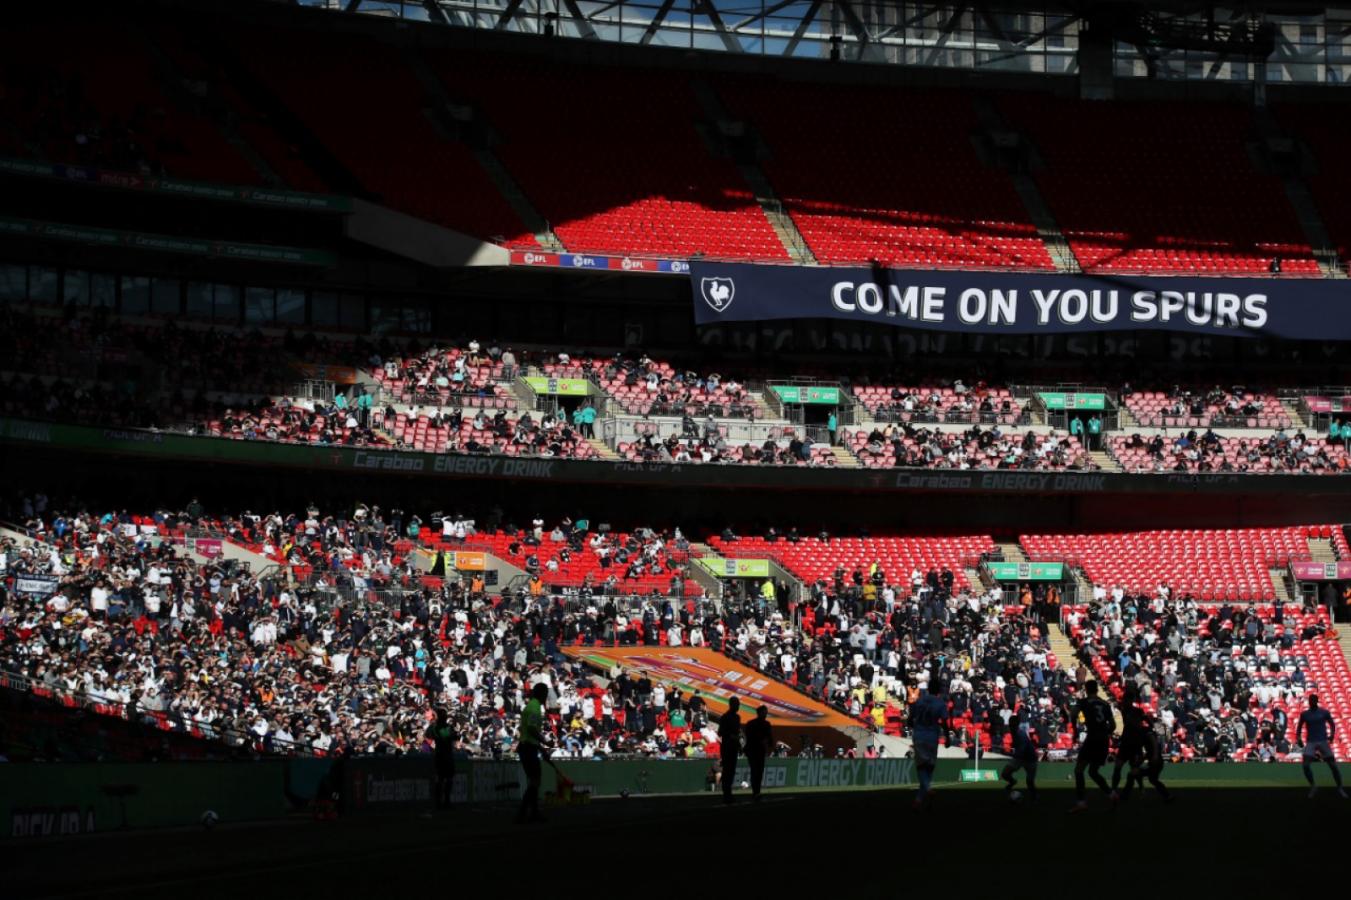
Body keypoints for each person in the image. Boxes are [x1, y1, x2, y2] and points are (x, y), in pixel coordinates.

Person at [1110, 688, 1170, 803]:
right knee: (1118, 767)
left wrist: (1151, 727)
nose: (1125, 701)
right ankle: (1114, 790)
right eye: (1125, 699)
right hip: (1127, 742)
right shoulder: (1125, 709)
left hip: (1135, 743)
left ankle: (1138, 790)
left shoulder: (1137, 711)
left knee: (1133, 769)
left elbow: (1147, 718)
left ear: (1131, 700)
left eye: (1127, 699)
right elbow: (1116, 703)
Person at [1070, 680, 1115, 813]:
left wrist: (1074, 729)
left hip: (1092, 738)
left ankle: (1081, 802)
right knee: (1093, 772)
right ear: (1097, 689)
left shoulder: (1083, 702)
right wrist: (1105, 734)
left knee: (1079, 770)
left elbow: (1073, 714)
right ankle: (1112, 795)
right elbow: (1113, 725)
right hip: (1103, 740)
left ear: (1086, 689)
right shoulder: (1105, 703)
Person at [1297, 694, 1347, 799]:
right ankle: (1313, 786)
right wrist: (1298, 738)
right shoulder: (1305, 714)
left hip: (1323, 741)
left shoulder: (1324, 712)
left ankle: (1340, 788)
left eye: (1314, 700)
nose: (1312, 702)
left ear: (1317, 701)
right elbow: (1299, 727)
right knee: (1305, 765)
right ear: (1309, 702)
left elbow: (1332, 724)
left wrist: (1332, 735)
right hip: (1311, 742)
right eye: (1311, 700)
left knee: (1333, 766)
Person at [908, 678, 948, 810]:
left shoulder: (919, 701)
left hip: (919, 735)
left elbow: (909, 720)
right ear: (939, 690)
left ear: (928, 688)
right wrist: (947, 737)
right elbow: (945, 722)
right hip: (932, 736)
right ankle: (919, 800)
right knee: (929, 766)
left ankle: (927, 789)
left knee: (921, 766)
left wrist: (913, 724)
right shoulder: (940, 703)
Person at [516, 682, 549, 824]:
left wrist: (541, 748)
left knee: (533, 781)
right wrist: (545, 742)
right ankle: (523, 813)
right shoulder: (535, 708)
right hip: (528, 748)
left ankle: (532, 812)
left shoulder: (530, 706)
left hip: (527, 746)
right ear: (542, 694)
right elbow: (531, 729)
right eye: (546, 693)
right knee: (535, 781)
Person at [1000, 711, 1038, 803]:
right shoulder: (1013, 733)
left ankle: (1034, 797)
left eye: (1013, 724)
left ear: (1016, 725)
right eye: (1010, 724)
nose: (1011, 726)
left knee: (1029, 781)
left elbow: (1021, 752)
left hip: (1030, 758)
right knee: (1005, 774)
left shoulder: (1021, 735)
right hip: (1020, 758)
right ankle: (1013, 782)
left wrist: (1007, 753)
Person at [428, 708, 457, 810]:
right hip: (445, 755)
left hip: (440, 754)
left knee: (441, 779)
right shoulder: (447, 728)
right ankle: (444, 800)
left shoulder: (435, 727)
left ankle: (441, 801)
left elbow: (428, 735)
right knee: (446, 779)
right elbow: (454, 737)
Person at [743, 706, 773, 801]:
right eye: (764, 712)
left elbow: (769, 738)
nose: (765, 714)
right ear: (759, 713)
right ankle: (756, 792)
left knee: (756, 771)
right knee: (757, 771)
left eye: (766, 712)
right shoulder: (763, 724)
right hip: (756, 750)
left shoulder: (751, 723)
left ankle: (756, 792)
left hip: (755, 750)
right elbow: (769, 738)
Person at [718, 697, 743, 805]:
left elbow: (737, 734)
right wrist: (731, 736)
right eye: (736, 704)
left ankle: (728, 793)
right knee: (727, 771)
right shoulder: (725, 717)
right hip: (727, 747)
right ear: (731, 704)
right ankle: (726, 794)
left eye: (738, 704)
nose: (738, 706)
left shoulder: (737, 717)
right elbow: (720, 732)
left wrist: (739, 745)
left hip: (733, 747)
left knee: (731, 771)